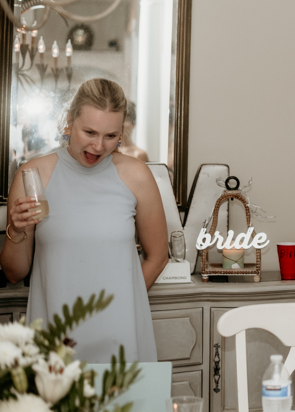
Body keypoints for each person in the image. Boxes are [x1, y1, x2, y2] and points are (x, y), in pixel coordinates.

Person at [1, 78, 169, 362]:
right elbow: (15, 273)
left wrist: (123, 305)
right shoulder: (33, 175)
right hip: (56, 337)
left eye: (111, 136)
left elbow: (158, 256)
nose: (98, 146)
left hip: (122, 335)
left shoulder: (137, 175)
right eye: (89, 132)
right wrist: (16, 229)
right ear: (69, 120)